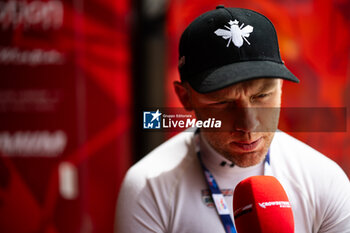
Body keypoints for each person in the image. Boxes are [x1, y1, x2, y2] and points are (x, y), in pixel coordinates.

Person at [116, 6, 350, 233]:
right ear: (185, 97)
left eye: (261, 96)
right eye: (223, 103)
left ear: (281, 87)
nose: (248, 126)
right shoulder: (148, 186)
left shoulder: (325, 180)